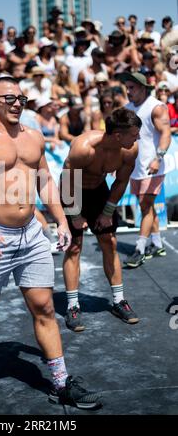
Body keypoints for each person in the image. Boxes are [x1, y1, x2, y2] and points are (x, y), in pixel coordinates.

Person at [0, 76, 102, 409]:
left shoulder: (33, 137)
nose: (17, 102)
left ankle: (61, 383)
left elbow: (46, 181)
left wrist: (61, 219)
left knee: (45, 308)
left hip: (32, 234)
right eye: (9, 98)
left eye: (21, 97)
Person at [61, 108, 141, 332]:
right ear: (118, 135)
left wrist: (107, 212)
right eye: (134, 134)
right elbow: (67, 182)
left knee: (110, 241)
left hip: (98, 192)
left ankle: (118, 300)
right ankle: (73, 305)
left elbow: (120, 182)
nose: (138, 138)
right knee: (74, 247)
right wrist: (75, 215)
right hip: (73, 191)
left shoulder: (128, 151)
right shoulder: (84, 148)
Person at [119, 72, 171, 267]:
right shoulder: (127, 109)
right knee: (144, 206)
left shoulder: (156, 107)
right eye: (127, 87)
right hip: (136, 167)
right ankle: (157, 244)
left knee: (146, 204)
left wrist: (158, 158)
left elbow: (165, 133)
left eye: (132, 87)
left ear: (143, 88)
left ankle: (139, 249)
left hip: (154, 166)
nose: (128, 90)